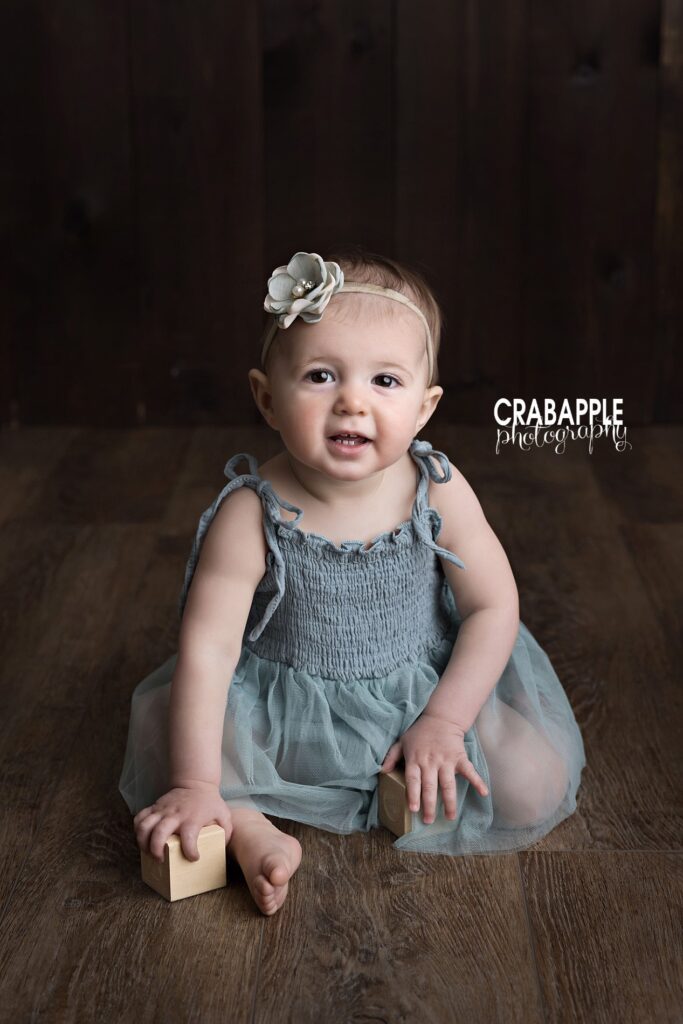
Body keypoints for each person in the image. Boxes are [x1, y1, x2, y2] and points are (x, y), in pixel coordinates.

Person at [119, 247, 587, 916]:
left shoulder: (438, 491)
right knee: (189, 735)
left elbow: (491, 605)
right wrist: (194, 781)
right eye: (319, 375)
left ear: (424, 409)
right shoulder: (252, 512)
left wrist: (445, 721)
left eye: (385, 382)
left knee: (535, 782)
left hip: (418, 695)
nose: (351, 402)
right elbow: (209, 650)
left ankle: (405, 773)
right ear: (266, 398)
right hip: (286, 708)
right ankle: (248, 828)